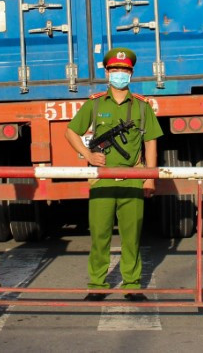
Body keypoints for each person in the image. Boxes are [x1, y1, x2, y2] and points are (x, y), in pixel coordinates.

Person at [65, 47, 163, 302]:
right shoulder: (95, 105)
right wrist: (88, 156)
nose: (120, 74)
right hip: (102, 180)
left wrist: (150, 176)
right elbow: (71, 132)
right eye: (115, 70)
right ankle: (97, 284)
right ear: (107, 72)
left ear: (131, 73)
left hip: (132, 178)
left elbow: (151, 141)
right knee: (100, 235)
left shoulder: (142, 107)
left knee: (132, 236)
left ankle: (131, 284)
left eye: (124, 70)